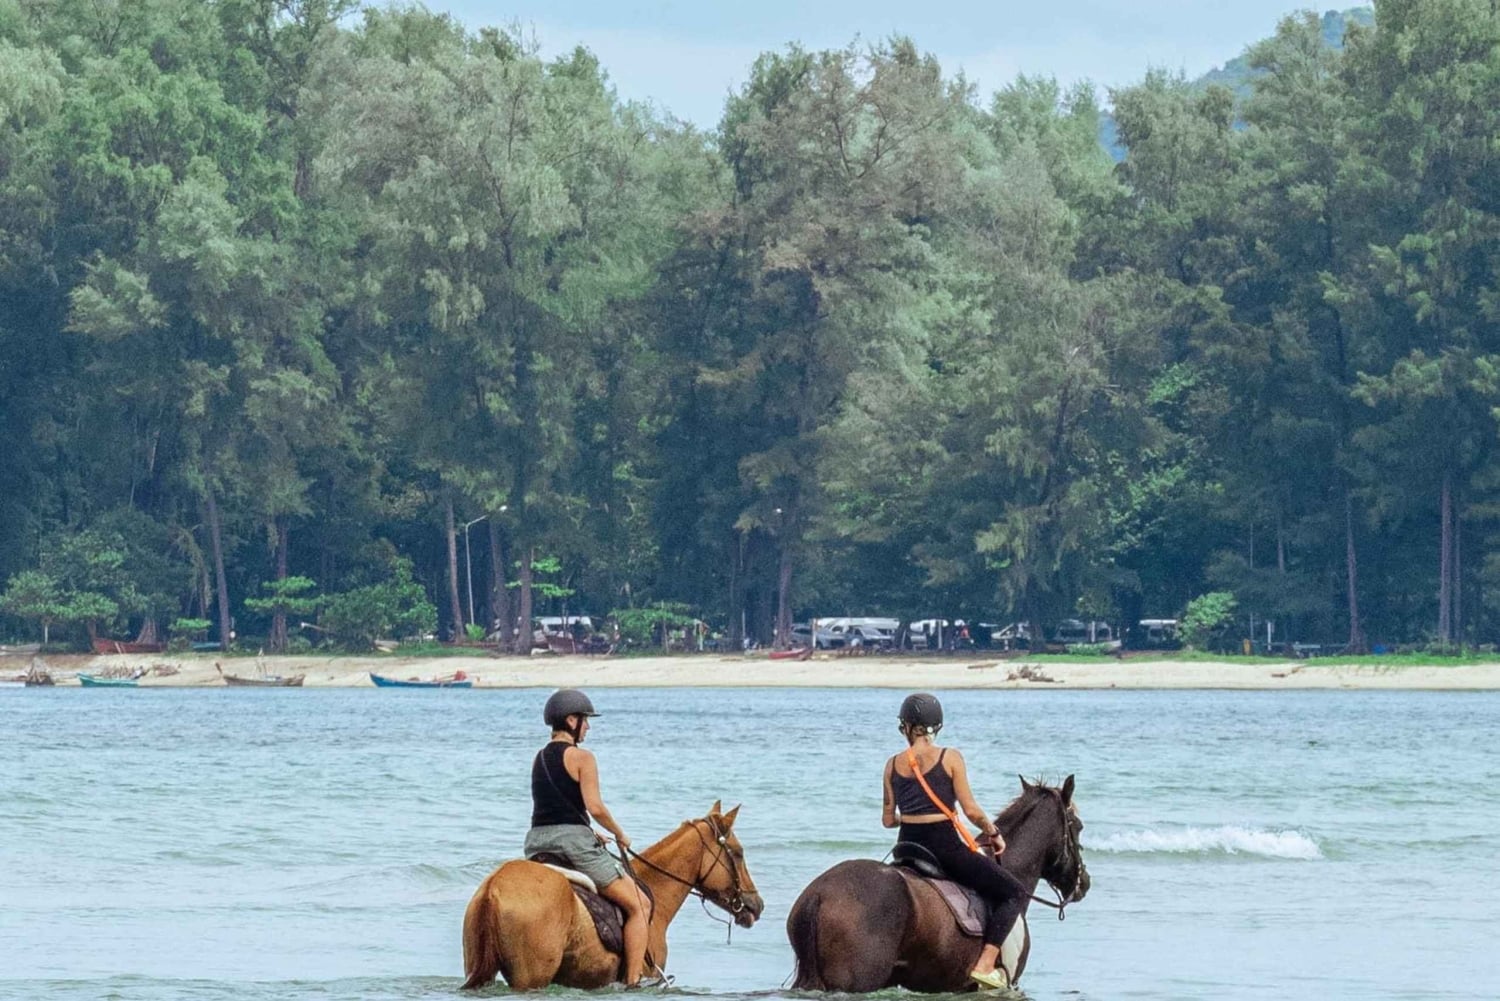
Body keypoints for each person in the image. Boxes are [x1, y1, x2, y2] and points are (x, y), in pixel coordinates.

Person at [882, 692, 1027, 990]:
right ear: (936, 726)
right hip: (943, 848)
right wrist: (994, 833)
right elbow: (971, 810)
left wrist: (911, 816)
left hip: (906, 847)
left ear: (906, 727)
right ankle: (986, 964)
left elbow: (887, 819)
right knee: (1013, 892)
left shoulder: (891, 765)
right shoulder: (950, 757)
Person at [525, 688, 655, 986]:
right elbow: (594, 806)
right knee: (639, 904)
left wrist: (588, 830)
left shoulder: (538, 758)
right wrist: (619, 833)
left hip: (536, 840)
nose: (589, 727)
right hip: (573, 845)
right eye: (586, 721)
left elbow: (553, 808)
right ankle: (634, 982)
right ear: (572, 720)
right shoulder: (583, 757)